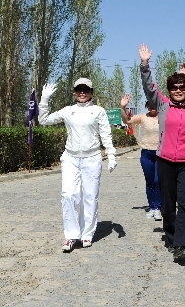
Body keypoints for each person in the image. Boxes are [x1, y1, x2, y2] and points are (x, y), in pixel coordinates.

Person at [138, 44, 185, 262]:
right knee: (167, 204)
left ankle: (181, 245)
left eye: (182, 87)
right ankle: (171, 235)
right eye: (174, 88)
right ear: (170, 90)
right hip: (165, 162)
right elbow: (149, 88)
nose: (178, 90)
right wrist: (145, 65)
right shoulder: (163, 105)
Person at [38, 78, 117, 252]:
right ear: (74, 92)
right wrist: (44, 100)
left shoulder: (98, 111)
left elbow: (105, 134)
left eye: (86, 89)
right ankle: (71, 235)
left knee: (89, 196)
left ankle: (87, 233)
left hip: (92, 158)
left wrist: (111, 154)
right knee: (68, 195)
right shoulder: (68, 111)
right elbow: (44, 120)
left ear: (91, 92)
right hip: (71, 158)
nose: (82, 92)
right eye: (79, 89)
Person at [120, 94, 162, 221]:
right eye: (149, 104)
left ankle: (159, 207)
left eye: (155, 104)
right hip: (147, 154)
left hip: (161, 154)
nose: (152, 106)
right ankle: (152, 207)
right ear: (147, 105)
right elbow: (127, 121)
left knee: (158, 181)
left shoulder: (164, 116)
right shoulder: (142, 117)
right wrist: (122, 107)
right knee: (150, 182)